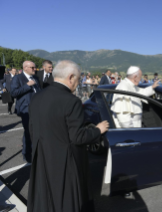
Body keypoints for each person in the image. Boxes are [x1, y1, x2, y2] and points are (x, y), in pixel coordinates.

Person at [27, 60, 109, 212]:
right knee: (67, 202)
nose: (77, 84)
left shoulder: (37, 97)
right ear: (71, 77)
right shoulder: (71, 101)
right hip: (65, 164)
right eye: (78, 80)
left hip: (42, 159)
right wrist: (98, 130)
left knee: (46, 201)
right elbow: (78, 137)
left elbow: (32, 130)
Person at [11, 61, 41, 163]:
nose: (34, 69)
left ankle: (33, 151)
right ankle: (27, 154)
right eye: (32, 67)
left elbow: (39, 92)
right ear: (25, 68)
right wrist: (27, 85)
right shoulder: (18, 78)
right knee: (28, 132)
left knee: (34, 131)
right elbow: (14, 92)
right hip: (25, 109)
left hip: (37, 109)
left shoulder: (35, 78)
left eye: (35, 67)